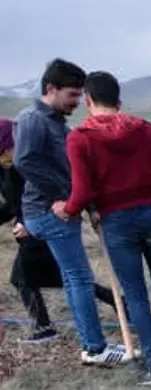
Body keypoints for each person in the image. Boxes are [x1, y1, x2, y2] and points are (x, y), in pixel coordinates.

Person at [55, 71, 151, 385]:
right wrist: (146, 188)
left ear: (88, 101)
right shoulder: (145, 129)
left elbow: (83, 190)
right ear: (119, 99)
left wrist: (68, 209)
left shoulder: (80, 138)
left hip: (116, 223)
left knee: (136, 296)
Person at [14, 58, 128, 366]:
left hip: (62, 209)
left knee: (73, 277)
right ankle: (95, 348)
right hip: (50, 212)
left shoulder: (55, 122)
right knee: (78, 277)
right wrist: (63, 197)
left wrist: (88, 205)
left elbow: (73, 170)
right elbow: (25, 161)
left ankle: (91, 345)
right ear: (51, 88)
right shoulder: (32, 119)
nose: (77, 102)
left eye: (80, 96)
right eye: (72, 95)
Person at [2, 117, 118, 342]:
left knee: (24, 278)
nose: (5, 153)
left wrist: (26, 222)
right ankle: (114, 300)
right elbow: (12, 204)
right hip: (30, 228)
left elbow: (45, 193)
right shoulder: (6, 168)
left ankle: (44, 328)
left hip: (44, 223)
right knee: (63, 275)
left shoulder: (27, 163)